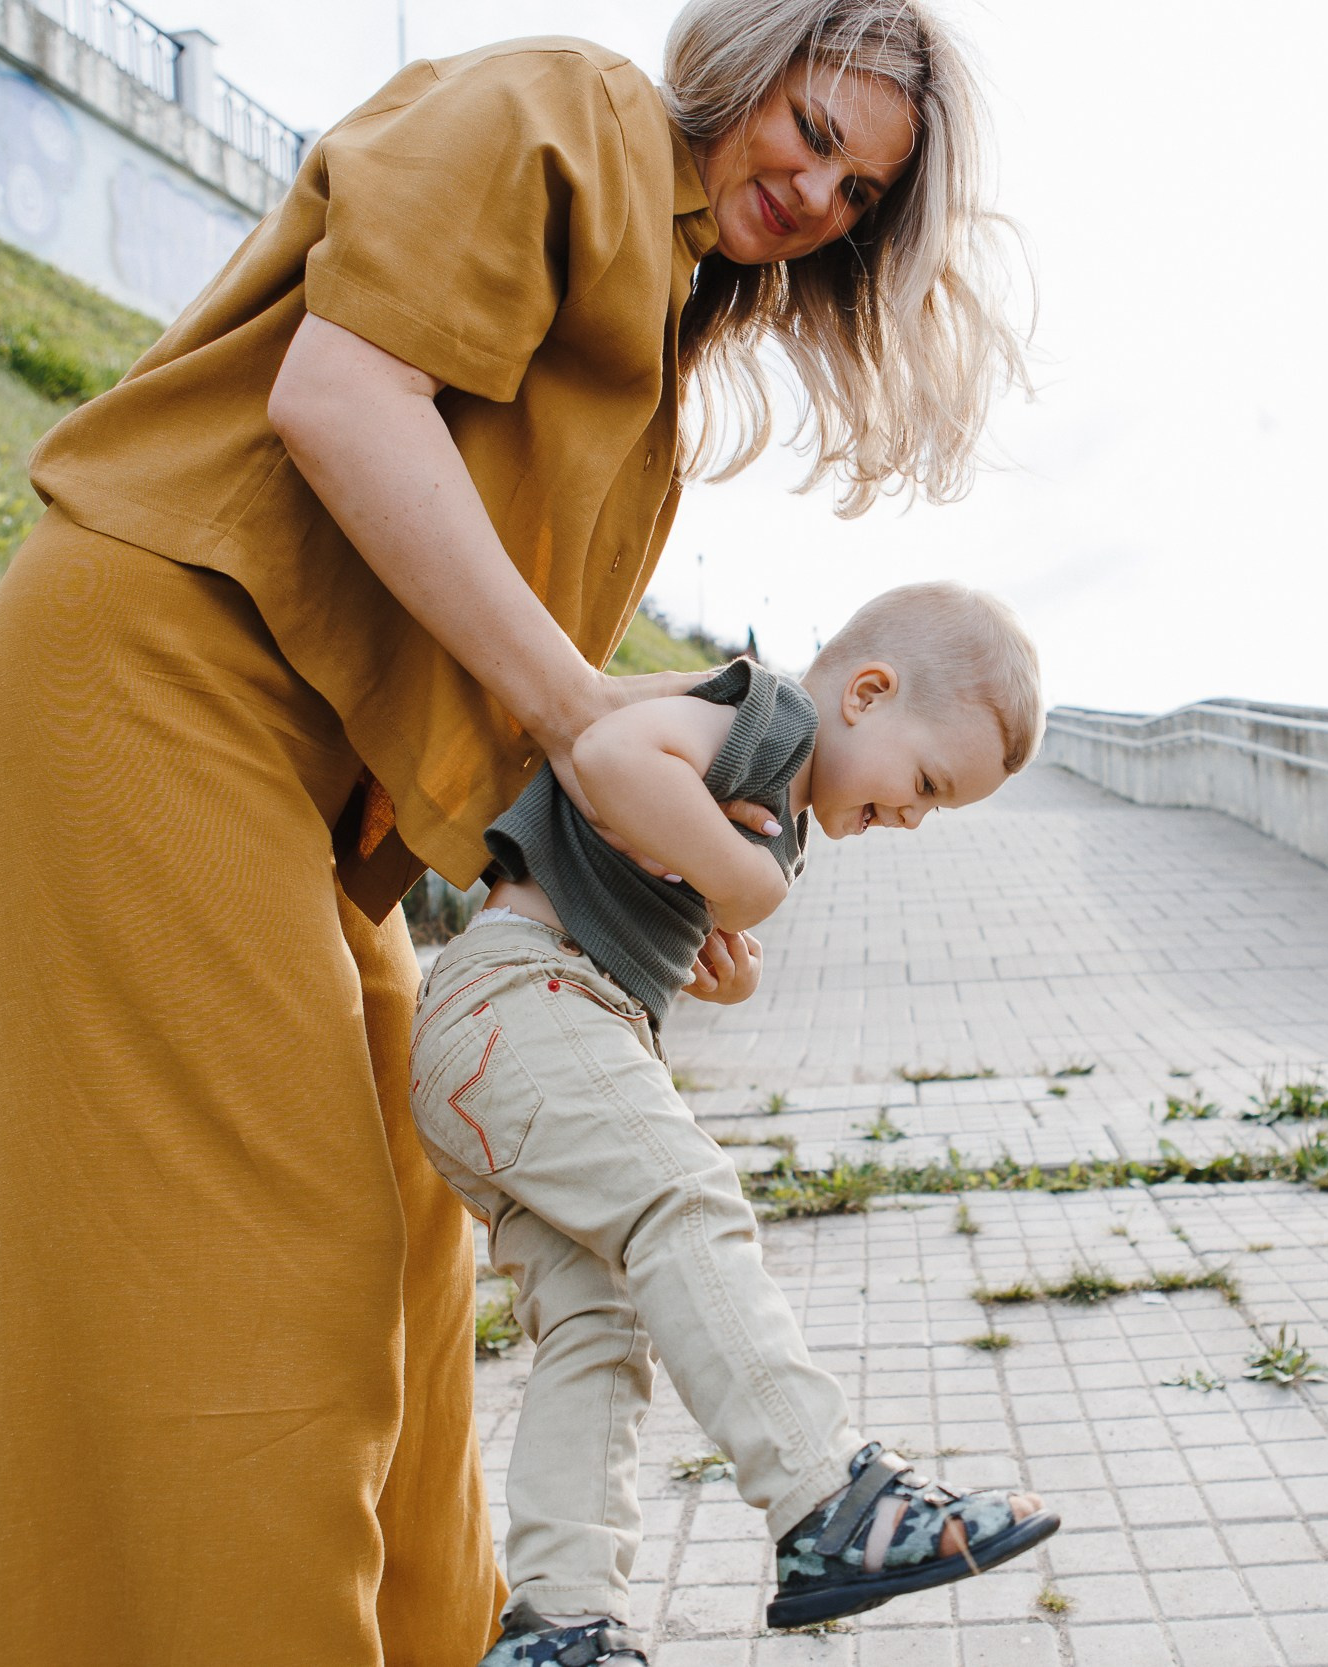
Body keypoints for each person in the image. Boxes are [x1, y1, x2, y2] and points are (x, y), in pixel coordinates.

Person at [0, 3, 1028, 1660]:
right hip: (155, 680)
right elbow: (339, 400)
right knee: (268, 1285)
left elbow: (517, 651)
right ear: (748, 68)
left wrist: (637, 830)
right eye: (816, 133)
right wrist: (588, 720)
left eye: (864, 193)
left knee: (409, 1250)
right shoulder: (572, 116)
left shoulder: (667, 332)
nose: (821, 196)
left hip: (306, 793)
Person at [414, 582, 1057, 1665]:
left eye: (937, 810)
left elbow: (645, 862)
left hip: (507, 1046)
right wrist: (744, 884)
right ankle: (827, 1496)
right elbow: (611, 753)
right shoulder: (772, 722)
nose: (911, 815)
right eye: (926, 781)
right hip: (521, 1003)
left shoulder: (777, 798)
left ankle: (560, 1622)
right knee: (686, 1201)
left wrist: (722, 962)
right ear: (867, 691)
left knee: (596, 1327)